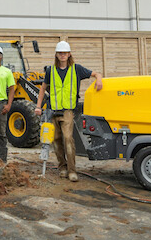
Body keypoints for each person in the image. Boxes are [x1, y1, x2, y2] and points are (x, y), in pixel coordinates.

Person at [34, 41, 103, 182]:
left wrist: (99, 80)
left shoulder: (76, 69)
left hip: (67, 112)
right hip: (52, 111)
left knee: (68, 139)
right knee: (56, 140)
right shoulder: (50, 71)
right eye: (60, 53)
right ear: (56, 55)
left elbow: (96, 73)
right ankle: (62, 168)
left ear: (69, 54)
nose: (62, 55)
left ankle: (72, 170)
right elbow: (42, 89)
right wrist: (38, 106)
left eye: (65, 53)